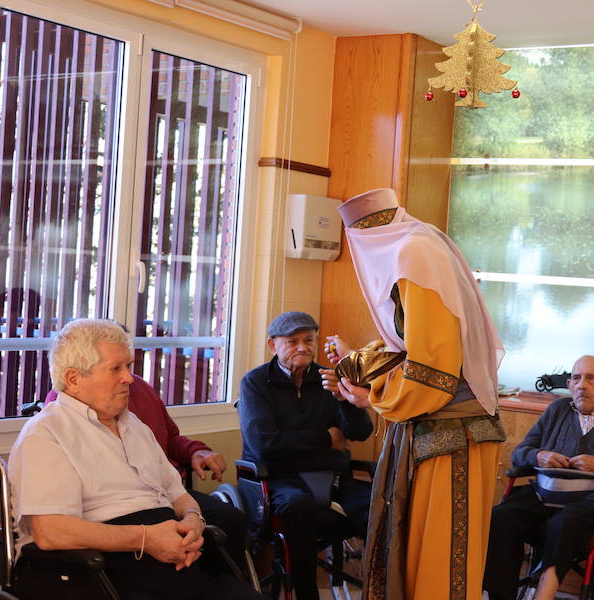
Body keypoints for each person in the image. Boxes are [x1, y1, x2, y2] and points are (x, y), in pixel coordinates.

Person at [330, 187, 506, 600]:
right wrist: (362, 365)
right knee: (418, 555)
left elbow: (433, 372)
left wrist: (373, 392)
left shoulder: (413, 252)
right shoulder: (416, 244)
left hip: (452, 436)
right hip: (435, 431)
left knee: (440, 562)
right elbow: (408, 346)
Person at [8, 318, 264, 600]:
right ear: (73, 379)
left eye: (128, 366)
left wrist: (194, 519)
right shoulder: (47, 433)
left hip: (178, 568)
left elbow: (178, 494)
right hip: (101, 572)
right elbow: (50, 532)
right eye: (116, 368)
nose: (129, 378)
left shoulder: (136, 427)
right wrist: (146, 539)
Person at [483, 355, 594, 600]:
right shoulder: (557, 410)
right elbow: (520, 453)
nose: (581, 385)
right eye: (576, 378)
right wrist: (538, 456)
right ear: (569, 384)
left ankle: (544, 590)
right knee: (500, 517)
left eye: (590, 378)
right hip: (545, 494)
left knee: (564, 522)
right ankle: (500, 596)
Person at [42, 375, 248, 573]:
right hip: (126, 501)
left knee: (230, 519)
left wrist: (195, 451)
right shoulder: (64, 408)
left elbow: (171, 438)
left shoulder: (140, 389)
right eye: (115, 366)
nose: (126, 376)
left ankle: (219, 577)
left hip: (168, 489)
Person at [237, 311, 373, 600]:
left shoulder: (329, 378)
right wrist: (326, 437)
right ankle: (307, 594)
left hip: (332, 477)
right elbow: (265, 445)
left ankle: (379, 589)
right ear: (273, 346)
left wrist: (344, 398)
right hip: (279, 479)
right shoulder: (255, 383)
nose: (303, 347)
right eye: (293, 341)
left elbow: (361, 432)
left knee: (381, 503)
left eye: (309, 340)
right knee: (297, 505)